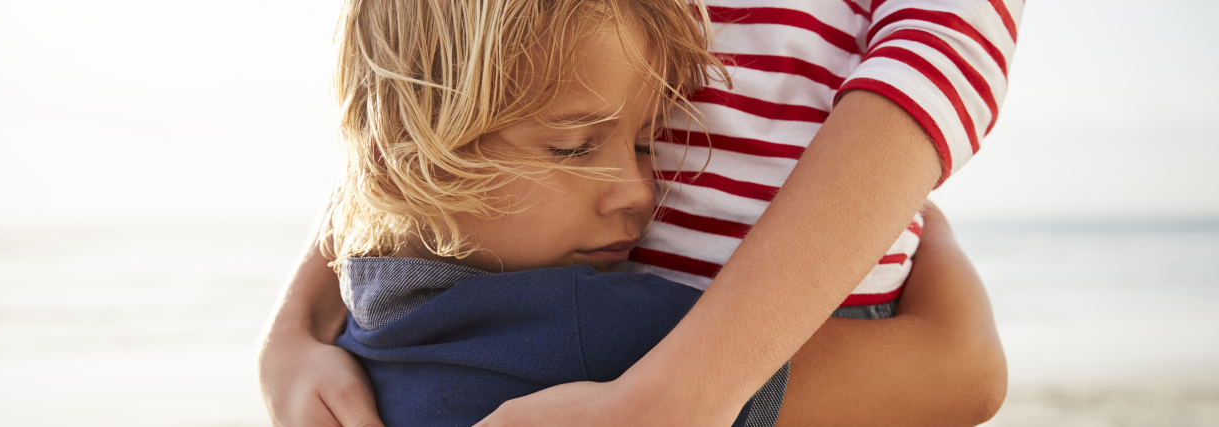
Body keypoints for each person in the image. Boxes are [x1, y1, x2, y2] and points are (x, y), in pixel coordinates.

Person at [259, 0, 1017, 425]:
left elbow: (407, 121)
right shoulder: (606, 335)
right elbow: (965, 373)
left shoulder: (401, 319)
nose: (638, 189)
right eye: (574, 147)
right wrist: (292, 324)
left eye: (655, 143)